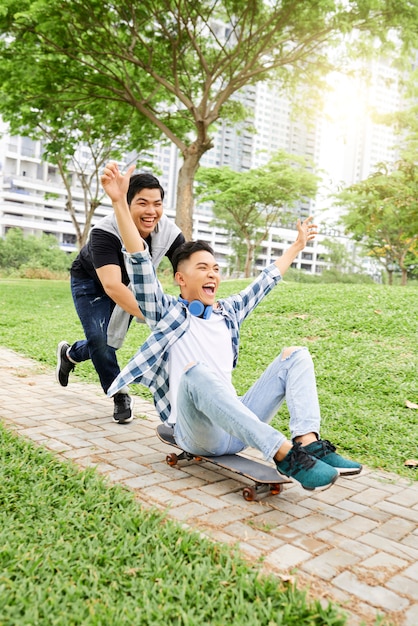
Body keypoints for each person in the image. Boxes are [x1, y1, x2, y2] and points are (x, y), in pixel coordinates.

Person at [101, 162, 362, 490]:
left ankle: (307, 443)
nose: (212, 274)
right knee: (196, 372)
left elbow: (266, 280)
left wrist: (297, 246)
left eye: (216, 268)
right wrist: (117, 203)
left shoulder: (229, 312)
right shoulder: (166, 312)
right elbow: (139, 263)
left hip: (236, 429)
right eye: (202, 268)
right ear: (180, 279)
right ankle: (285, 456)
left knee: (296, 355)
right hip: (196, 433)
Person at [56, 168, 185, 424]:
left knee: (108, 343)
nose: (151, 212)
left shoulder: (169, 233)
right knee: (100, 340)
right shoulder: (104, 232)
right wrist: (154, 317)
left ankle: (70, 354)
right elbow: (112, 286)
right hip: (90, 282)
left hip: (129, 285)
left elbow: (186, 269)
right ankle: (119, 393)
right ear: (126, 204)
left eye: (157, 204)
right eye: (142, 203)